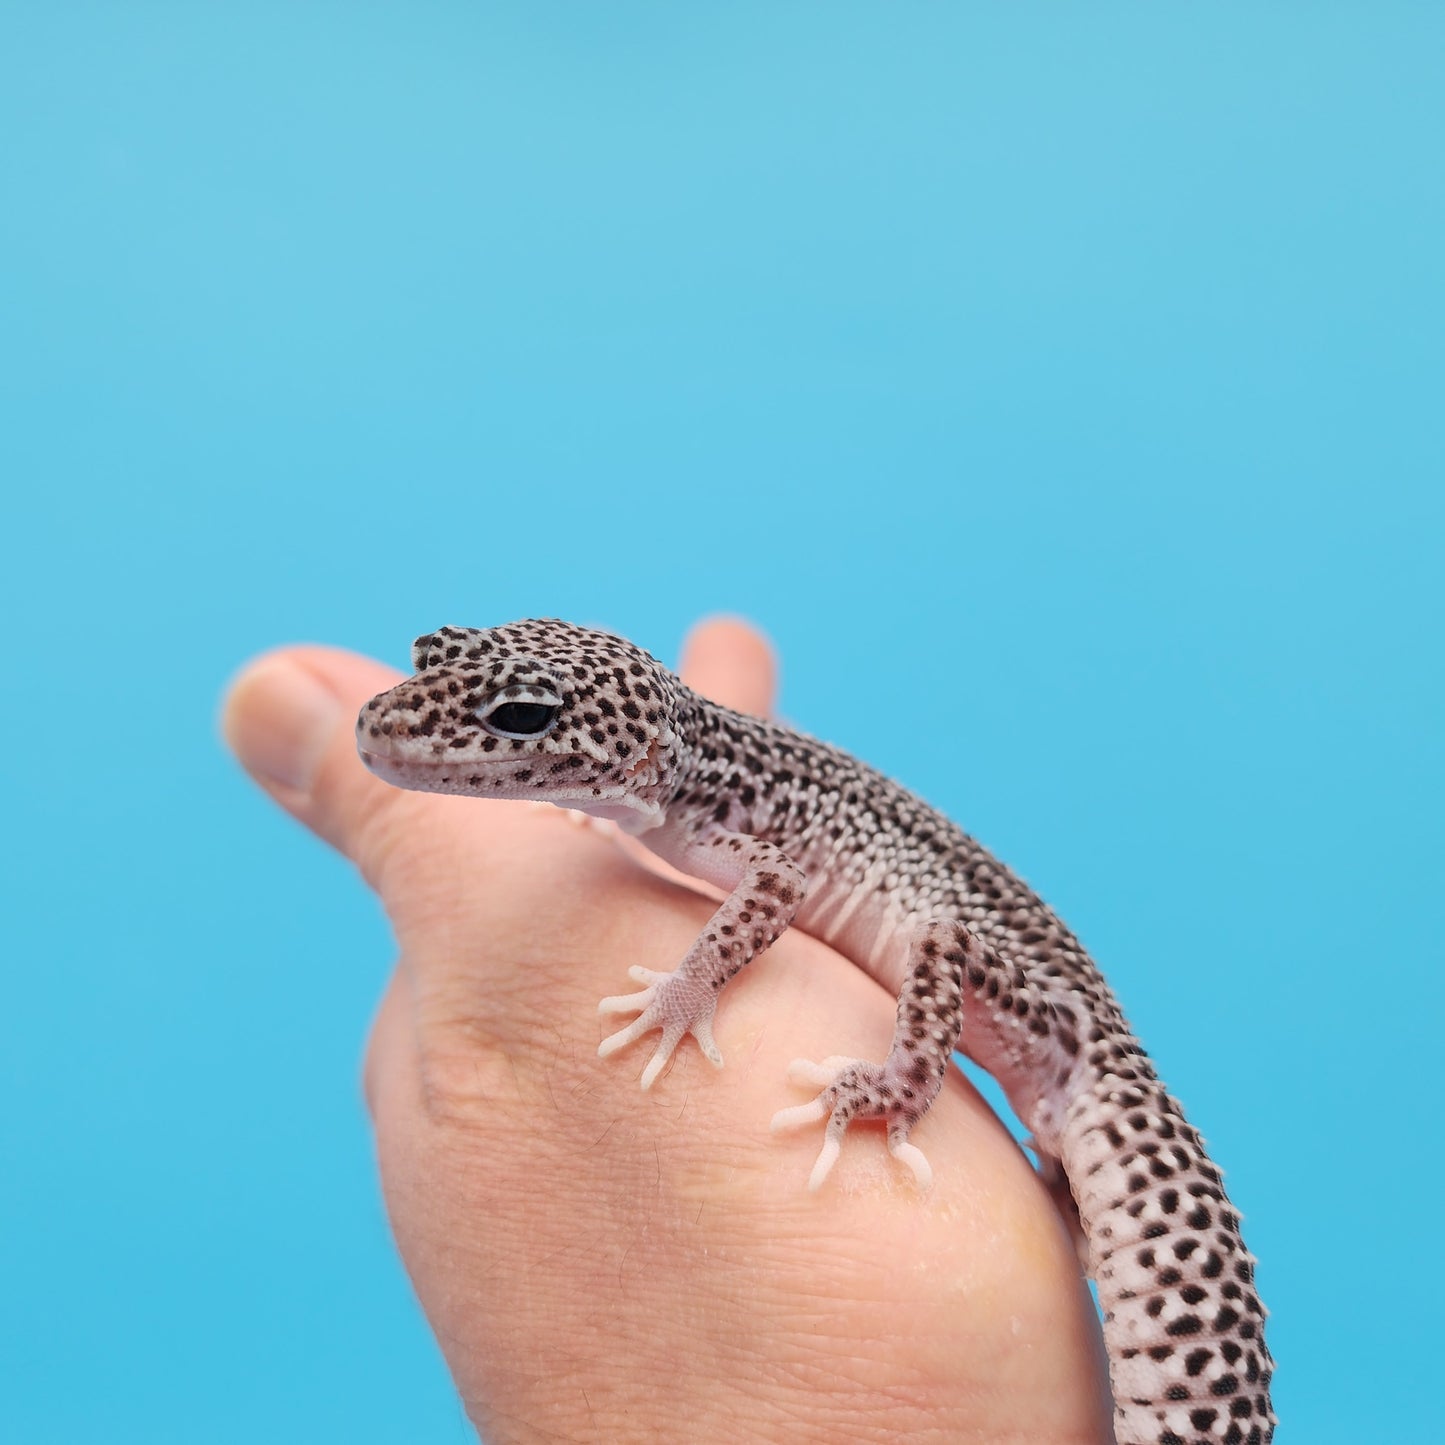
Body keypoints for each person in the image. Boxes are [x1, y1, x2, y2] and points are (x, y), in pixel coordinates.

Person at [223, 617, 1112, 1443]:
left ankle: (911, 1085)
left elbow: (775, 886)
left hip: (1062, 1037)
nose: (403, 725)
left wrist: (689, 988)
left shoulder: (709, 807)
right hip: (1070, 1063)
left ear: (643, 748)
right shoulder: (667, 790)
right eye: (436, 666)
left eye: (517, 719)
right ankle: (1068, 1197)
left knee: (940, 938)